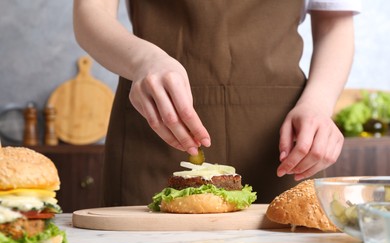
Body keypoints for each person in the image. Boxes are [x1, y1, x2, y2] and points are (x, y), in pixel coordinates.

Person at [73, 0, 361, 205]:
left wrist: (318, 105)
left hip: (283, 141)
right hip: (157, 123)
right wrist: (142, 61)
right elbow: (91, 11)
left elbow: (334, 23)